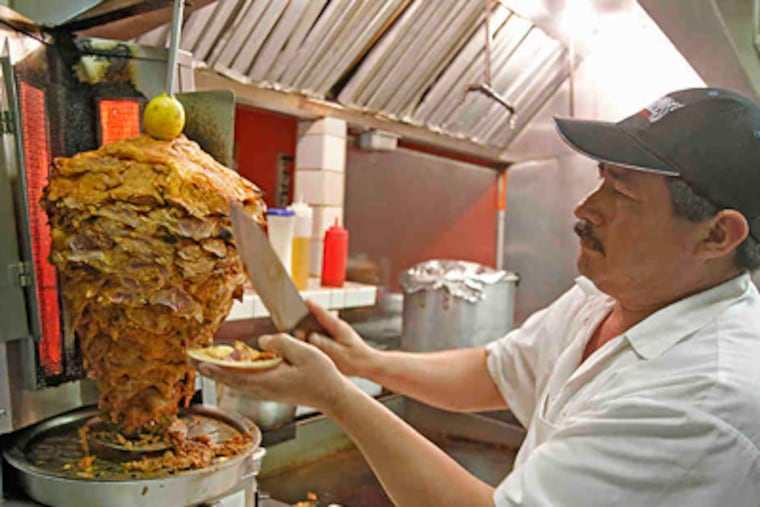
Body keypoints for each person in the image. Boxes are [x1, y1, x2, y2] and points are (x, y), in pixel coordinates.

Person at [200, 88, 760, 506]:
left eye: (621, 192)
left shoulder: (705, 398)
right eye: (600, 179)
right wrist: (363, 362)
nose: (585, 208)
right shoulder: (610, 296)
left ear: (716, 235)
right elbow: (496, 371)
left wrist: (339, 397)